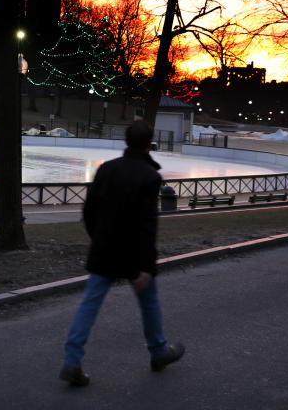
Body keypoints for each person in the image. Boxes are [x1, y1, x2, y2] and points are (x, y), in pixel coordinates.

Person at [60, 120, 184, 387]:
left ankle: (72, 361)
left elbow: (89, 210)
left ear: (126, 141)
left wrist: (99, 240)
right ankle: (159, 352)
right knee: (149, 305)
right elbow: (147, 225)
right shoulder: (150, 177)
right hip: (133, 255)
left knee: (89, 306)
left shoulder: (107, 169)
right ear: (149, 143)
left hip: (104, 249)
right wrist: (146, 267)